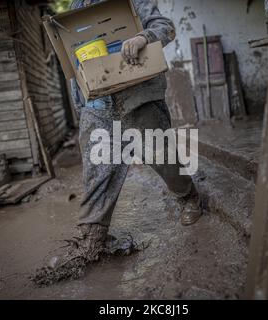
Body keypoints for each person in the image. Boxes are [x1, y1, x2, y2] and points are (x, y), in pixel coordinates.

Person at [34, 0, 203, 285]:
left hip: (137, 96)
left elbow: (165, 27)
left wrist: (142, 37)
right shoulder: (76, 9)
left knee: (162, 158)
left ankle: (190, 198)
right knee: (97, 174)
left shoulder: (133, 1)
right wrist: (82, 105)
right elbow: (73, 63)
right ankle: (93, 239)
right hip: (97, 106)